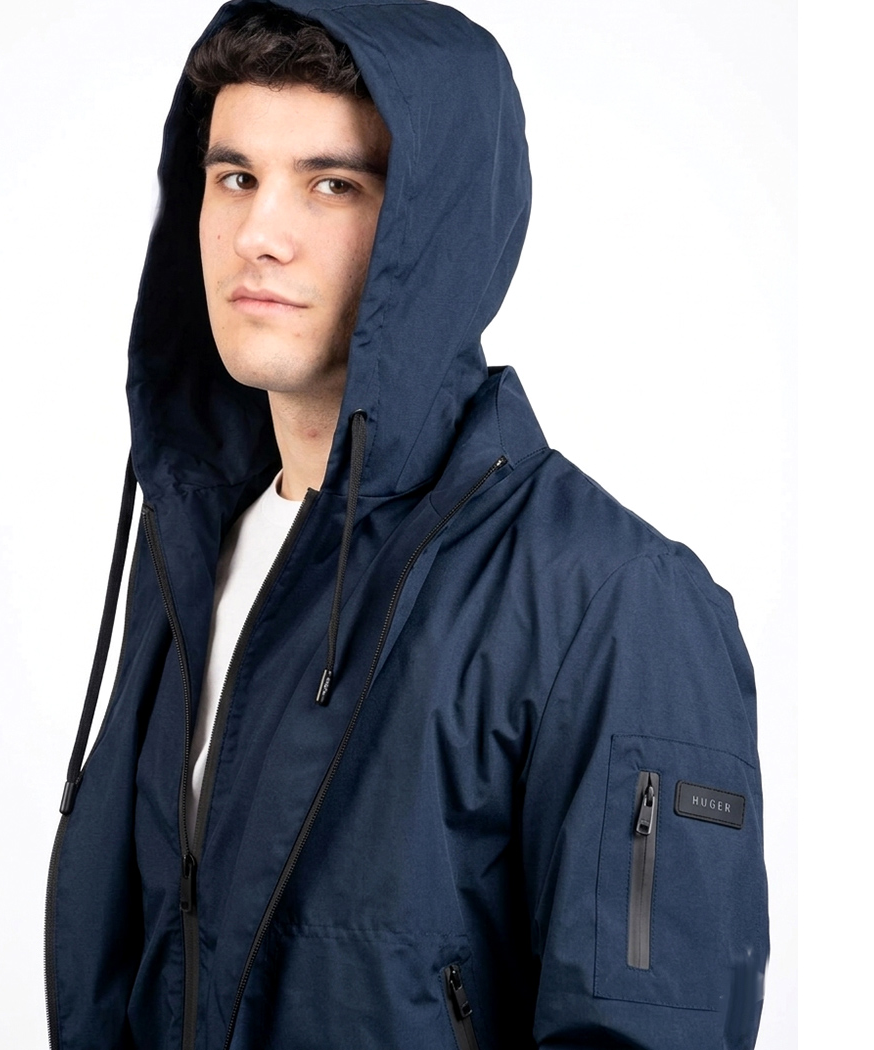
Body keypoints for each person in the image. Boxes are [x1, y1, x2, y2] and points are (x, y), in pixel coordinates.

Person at [45, 2, 769, 1048]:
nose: (259, 236)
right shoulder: (191, 548)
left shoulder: (615, 601)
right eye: (236, 177)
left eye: (333, 184)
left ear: (436, 229)